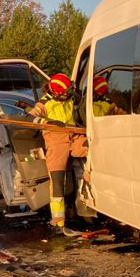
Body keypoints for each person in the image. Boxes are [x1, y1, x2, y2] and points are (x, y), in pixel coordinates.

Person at [27, 73, 88, 236]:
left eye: (69, 90)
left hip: (74, 134)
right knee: (58, 181)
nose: (67, 94)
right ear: (55, 92)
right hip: (55, 140)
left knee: (93, 149)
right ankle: (58, 221)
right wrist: (47, 122)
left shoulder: (71, 98)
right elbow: (30, 119)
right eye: (65, 91)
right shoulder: (45, 103)